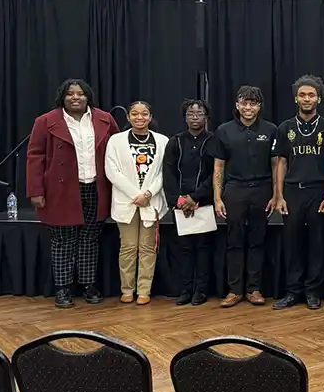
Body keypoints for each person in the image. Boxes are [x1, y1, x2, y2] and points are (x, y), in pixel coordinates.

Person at [26, 78, 120, 308]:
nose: (75, 97)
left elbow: (118, 149)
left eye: (80, 93)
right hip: (61, 189)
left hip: (96, 188)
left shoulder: (104, 119)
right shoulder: (46, 121)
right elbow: (35, 157)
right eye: (70, 94)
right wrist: (36, 190)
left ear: (88, 97)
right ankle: (63, 288)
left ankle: (88, 285)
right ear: (62, 97)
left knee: (90, 238)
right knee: (62, 241)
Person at [212, 85, 279, 308]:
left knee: (257, 240)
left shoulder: (271, 130)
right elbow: (218, 167)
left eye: (253, 103)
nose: (248, 107)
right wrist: (217, 198)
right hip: (234, 190)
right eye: (244, 103)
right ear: (237, 105)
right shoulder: (224, 130)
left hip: (262, 190)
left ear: (259, 106)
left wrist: (276, 194)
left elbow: (276, 165)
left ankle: (253, 289)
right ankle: (234, 290)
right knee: (234, 241)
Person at [271, 76, 324, 310]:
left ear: (318, 98)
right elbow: (281, 163)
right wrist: (279, 195)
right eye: (302, 95)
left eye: (311, 95)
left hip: (318, 191)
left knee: (317, 243)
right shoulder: (285, 127)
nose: (307, 99)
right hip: (292, 192)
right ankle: (292, 291)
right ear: (296, 98)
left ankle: (313, 292)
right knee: (292, 243)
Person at [104, 100, 168, 305]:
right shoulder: (116, 140)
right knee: (129, 247)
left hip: (151, 201)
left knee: (148, 247)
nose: (139, 118)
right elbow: (111, 171)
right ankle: (126, 289)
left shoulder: (163, 141)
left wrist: (148, 194)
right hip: (127, 201)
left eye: (144, 114)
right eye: (135, 114)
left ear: (150, 117)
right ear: (128, 117)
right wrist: (136, 194)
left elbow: (163, 173)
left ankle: (144, 290)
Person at [163, 100, 215, 306]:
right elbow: (168, 173)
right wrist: (179, 199)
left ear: (206, 117)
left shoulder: (214, 140)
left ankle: (201, 291)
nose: (195, 117)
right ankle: (185, 290)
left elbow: (215, 174)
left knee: (203, 248)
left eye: (199, 113)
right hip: (181, 205)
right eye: (190, 114)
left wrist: (197, 197)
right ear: (185, 117)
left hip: (203, 202)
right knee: (184, 249)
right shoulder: (175, 142)